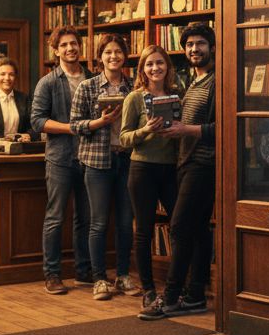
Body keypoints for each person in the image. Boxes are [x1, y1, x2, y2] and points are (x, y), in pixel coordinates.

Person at [139, 23, 217, 319]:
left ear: (212, 47)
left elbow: (222, 129)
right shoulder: (191, 84)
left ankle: (170, 297)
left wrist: (185, 129)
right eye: (189, 45)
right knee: (196, 230)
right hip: (184, 162)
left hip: (204, 164)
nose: (194, 49)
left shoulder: (216, 82)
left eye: (200, 44)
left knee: (180, 228)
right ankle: (196, 294)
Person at [70, 33, 136, 301]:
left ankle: (122, 276)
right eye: (108, 52)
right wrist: (99, 122)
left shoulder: (134, 87)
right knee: (98, 223)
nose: (114, 56)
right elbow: (74, 125)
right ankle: (99, 279)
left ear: (125, 56)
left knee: (124, 221)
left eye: (118, 51)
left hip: (128, 159)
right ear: (100, 57)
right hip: (97, 162)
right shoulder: (87, 87)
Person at [120, 44, 183, 310]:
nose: (155, 68)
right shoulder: (134, 99)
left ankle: (174, 290)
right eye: (149, 64)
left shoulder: (177, 95)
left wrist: (178, 131)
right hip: (142, 170)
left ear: (167, 67)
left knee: (179, 228)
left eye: (160, 63)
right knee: (144, 231)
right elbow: (124, 139)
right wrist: (146, 130)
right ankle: (148, 290)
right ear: (142, 69)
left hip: (171, 169)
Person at [31, 26, 92, 295]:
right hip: (60, 159)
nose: (70, 48)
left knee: (86, 219)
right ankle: (52, 274)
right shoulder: (48, 82)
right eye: (64, 45)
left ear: (81, 47)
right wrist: (72, 128)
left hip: (90, 158)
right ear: (56, 51)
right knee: (55, 217)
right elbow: (37, 121)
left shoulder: (92, 78)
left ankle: (84, 272)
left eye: (74, 44)